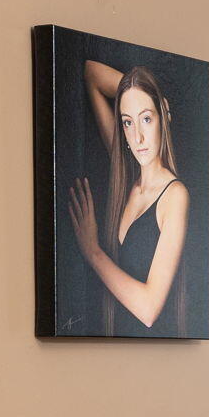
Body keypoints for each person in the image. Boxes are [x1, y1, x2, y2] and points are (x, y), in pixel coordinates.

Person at [68, 61, 190, 336]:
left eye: (147, 118)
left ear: (163, 115)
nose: (138, 137)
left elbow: (149, 310)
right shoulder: (124, 177)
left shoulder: (175, 196)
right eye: (127, 122)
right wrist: (137, 91)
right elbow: (92, 74)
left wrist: (92, 251)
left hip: (156, 360)